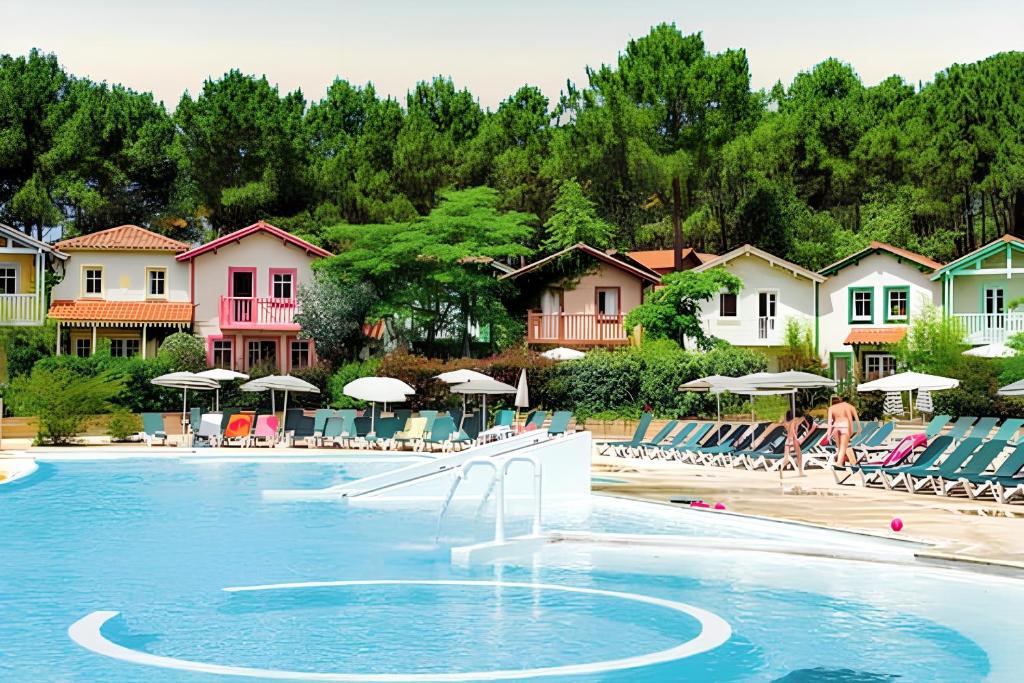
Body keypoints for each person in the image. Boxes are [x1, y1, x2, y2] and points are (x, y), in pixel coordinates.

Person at [826, 395, 861, 467]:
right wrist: (856, 429)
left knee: (840, 448)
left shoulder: (831, 408)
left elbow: (829, 423)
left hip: (836, 427)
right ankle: (840, 463)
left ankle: (843, 463)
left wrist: (828, 435)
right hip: (845, 426)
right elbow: (852, 419)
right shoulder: (849, 406)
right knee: (844, 447)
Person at [780, 410, 807, 478]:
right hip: (793, 440)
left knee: (786, 458)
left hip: (787, 441)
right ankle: (800, 472)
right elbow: (793, 430)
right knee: (799, 456)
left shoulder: (786, 422)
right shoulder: (795, 420)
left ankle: (782, 467)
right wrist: (795, 437)